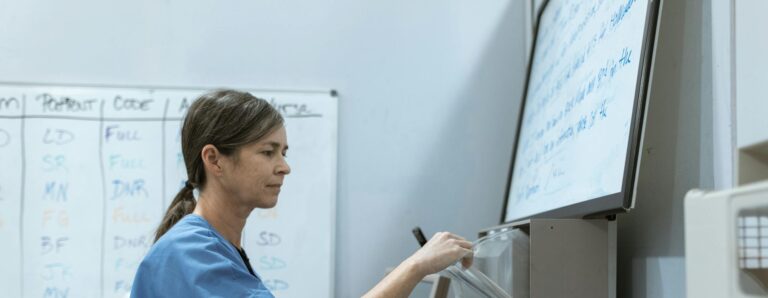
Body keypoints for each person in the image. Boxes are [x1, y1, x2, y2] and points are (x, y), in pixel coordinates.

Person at [131, 89, 473, 297]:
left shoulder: (214, 250)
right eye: (268, 152)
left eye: (284, 152)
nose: (284, 167)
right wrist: (415, 266)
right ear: (214, 160)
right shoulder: (189, 254)